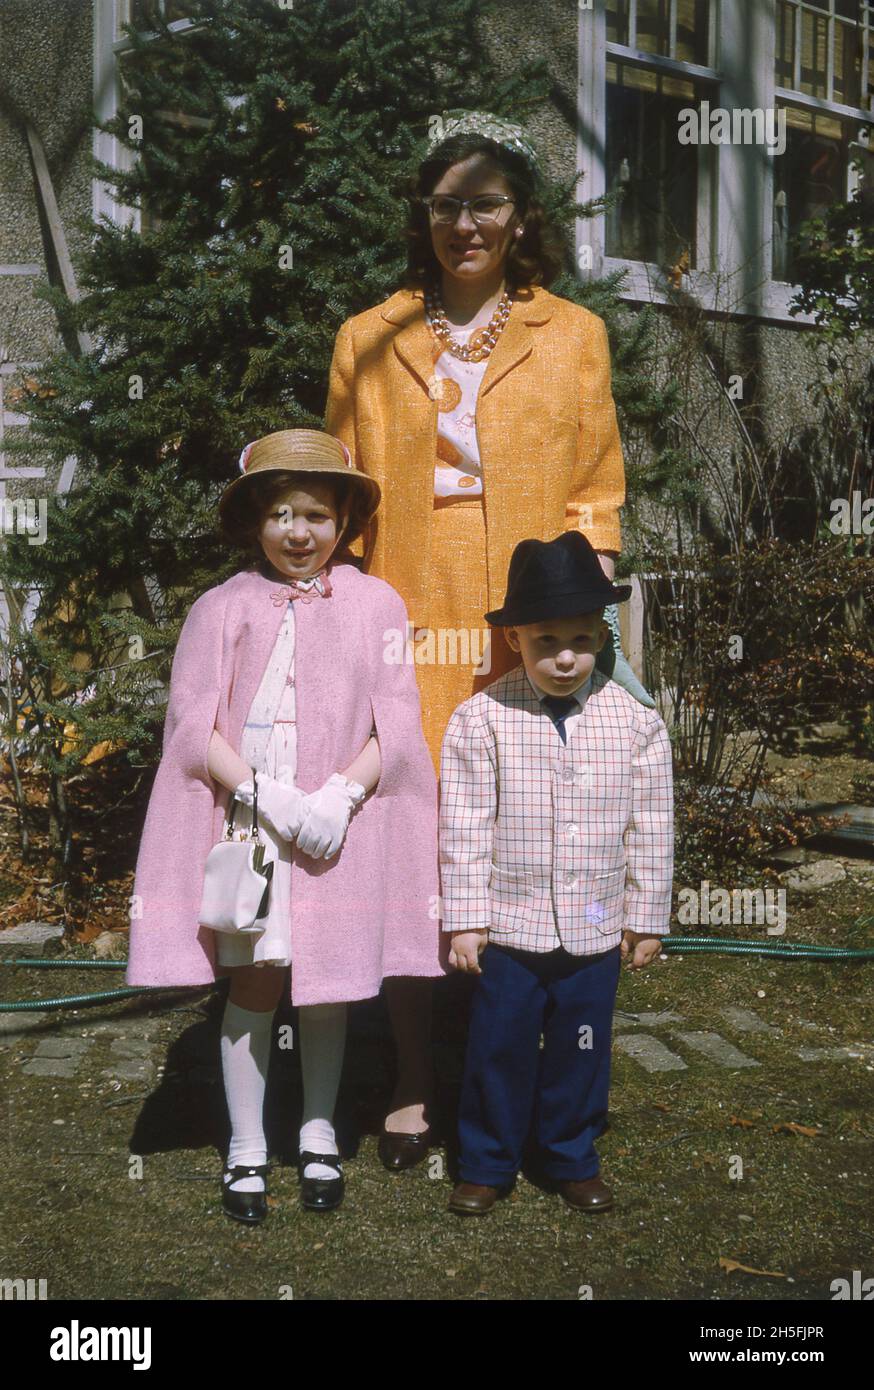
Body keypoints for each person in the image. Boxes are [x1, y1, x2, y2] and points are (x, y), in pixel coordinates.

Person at [325, 108, 654, 1169]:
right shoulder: (367, 337)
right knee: (417, 826)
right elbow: (338, 489)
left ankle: (535, 1069)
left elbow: (598, 483)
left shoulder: (574, 333)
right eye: (446, 205)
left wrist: (583, 598)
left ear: (519, 219)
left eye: (486, 204)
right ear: (424, 219)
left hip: (529, 599)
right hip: (404, 597)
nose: (466, 223)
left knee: (530, 812)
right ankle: (416, 1080)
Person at [126, 429, 442, 1223]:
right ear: (253, 524)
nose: (298, 533)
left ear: (342, 521)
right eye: (279, 515)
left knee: (330, 987)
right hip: (254, 827)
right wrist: (266, 794)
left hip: (339, 826)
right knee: (258, 981)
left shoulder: (377, 604)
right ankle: (244, 1148)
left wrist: (339, 796)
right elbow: (193, 727)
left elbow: (396, 721)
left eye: (315, 515)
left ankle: (320, 1132)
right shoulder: (219, 607)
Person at [439, 530, 674, 1216]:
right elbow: (463, 827)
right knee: (498, 1045)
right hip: (509, 928)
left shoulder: (636, 724)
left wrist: (644, 919)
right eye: (545, 642)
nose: (564, 658)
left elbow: (653, 826)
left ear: (602, 637)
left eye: (580, 639)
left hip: (597, 928)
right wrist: (466, 920)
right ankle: (487, 1160)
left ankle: (571, 1154)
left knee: (583, 1045)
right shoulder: (480, 721)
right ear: (515, 640)